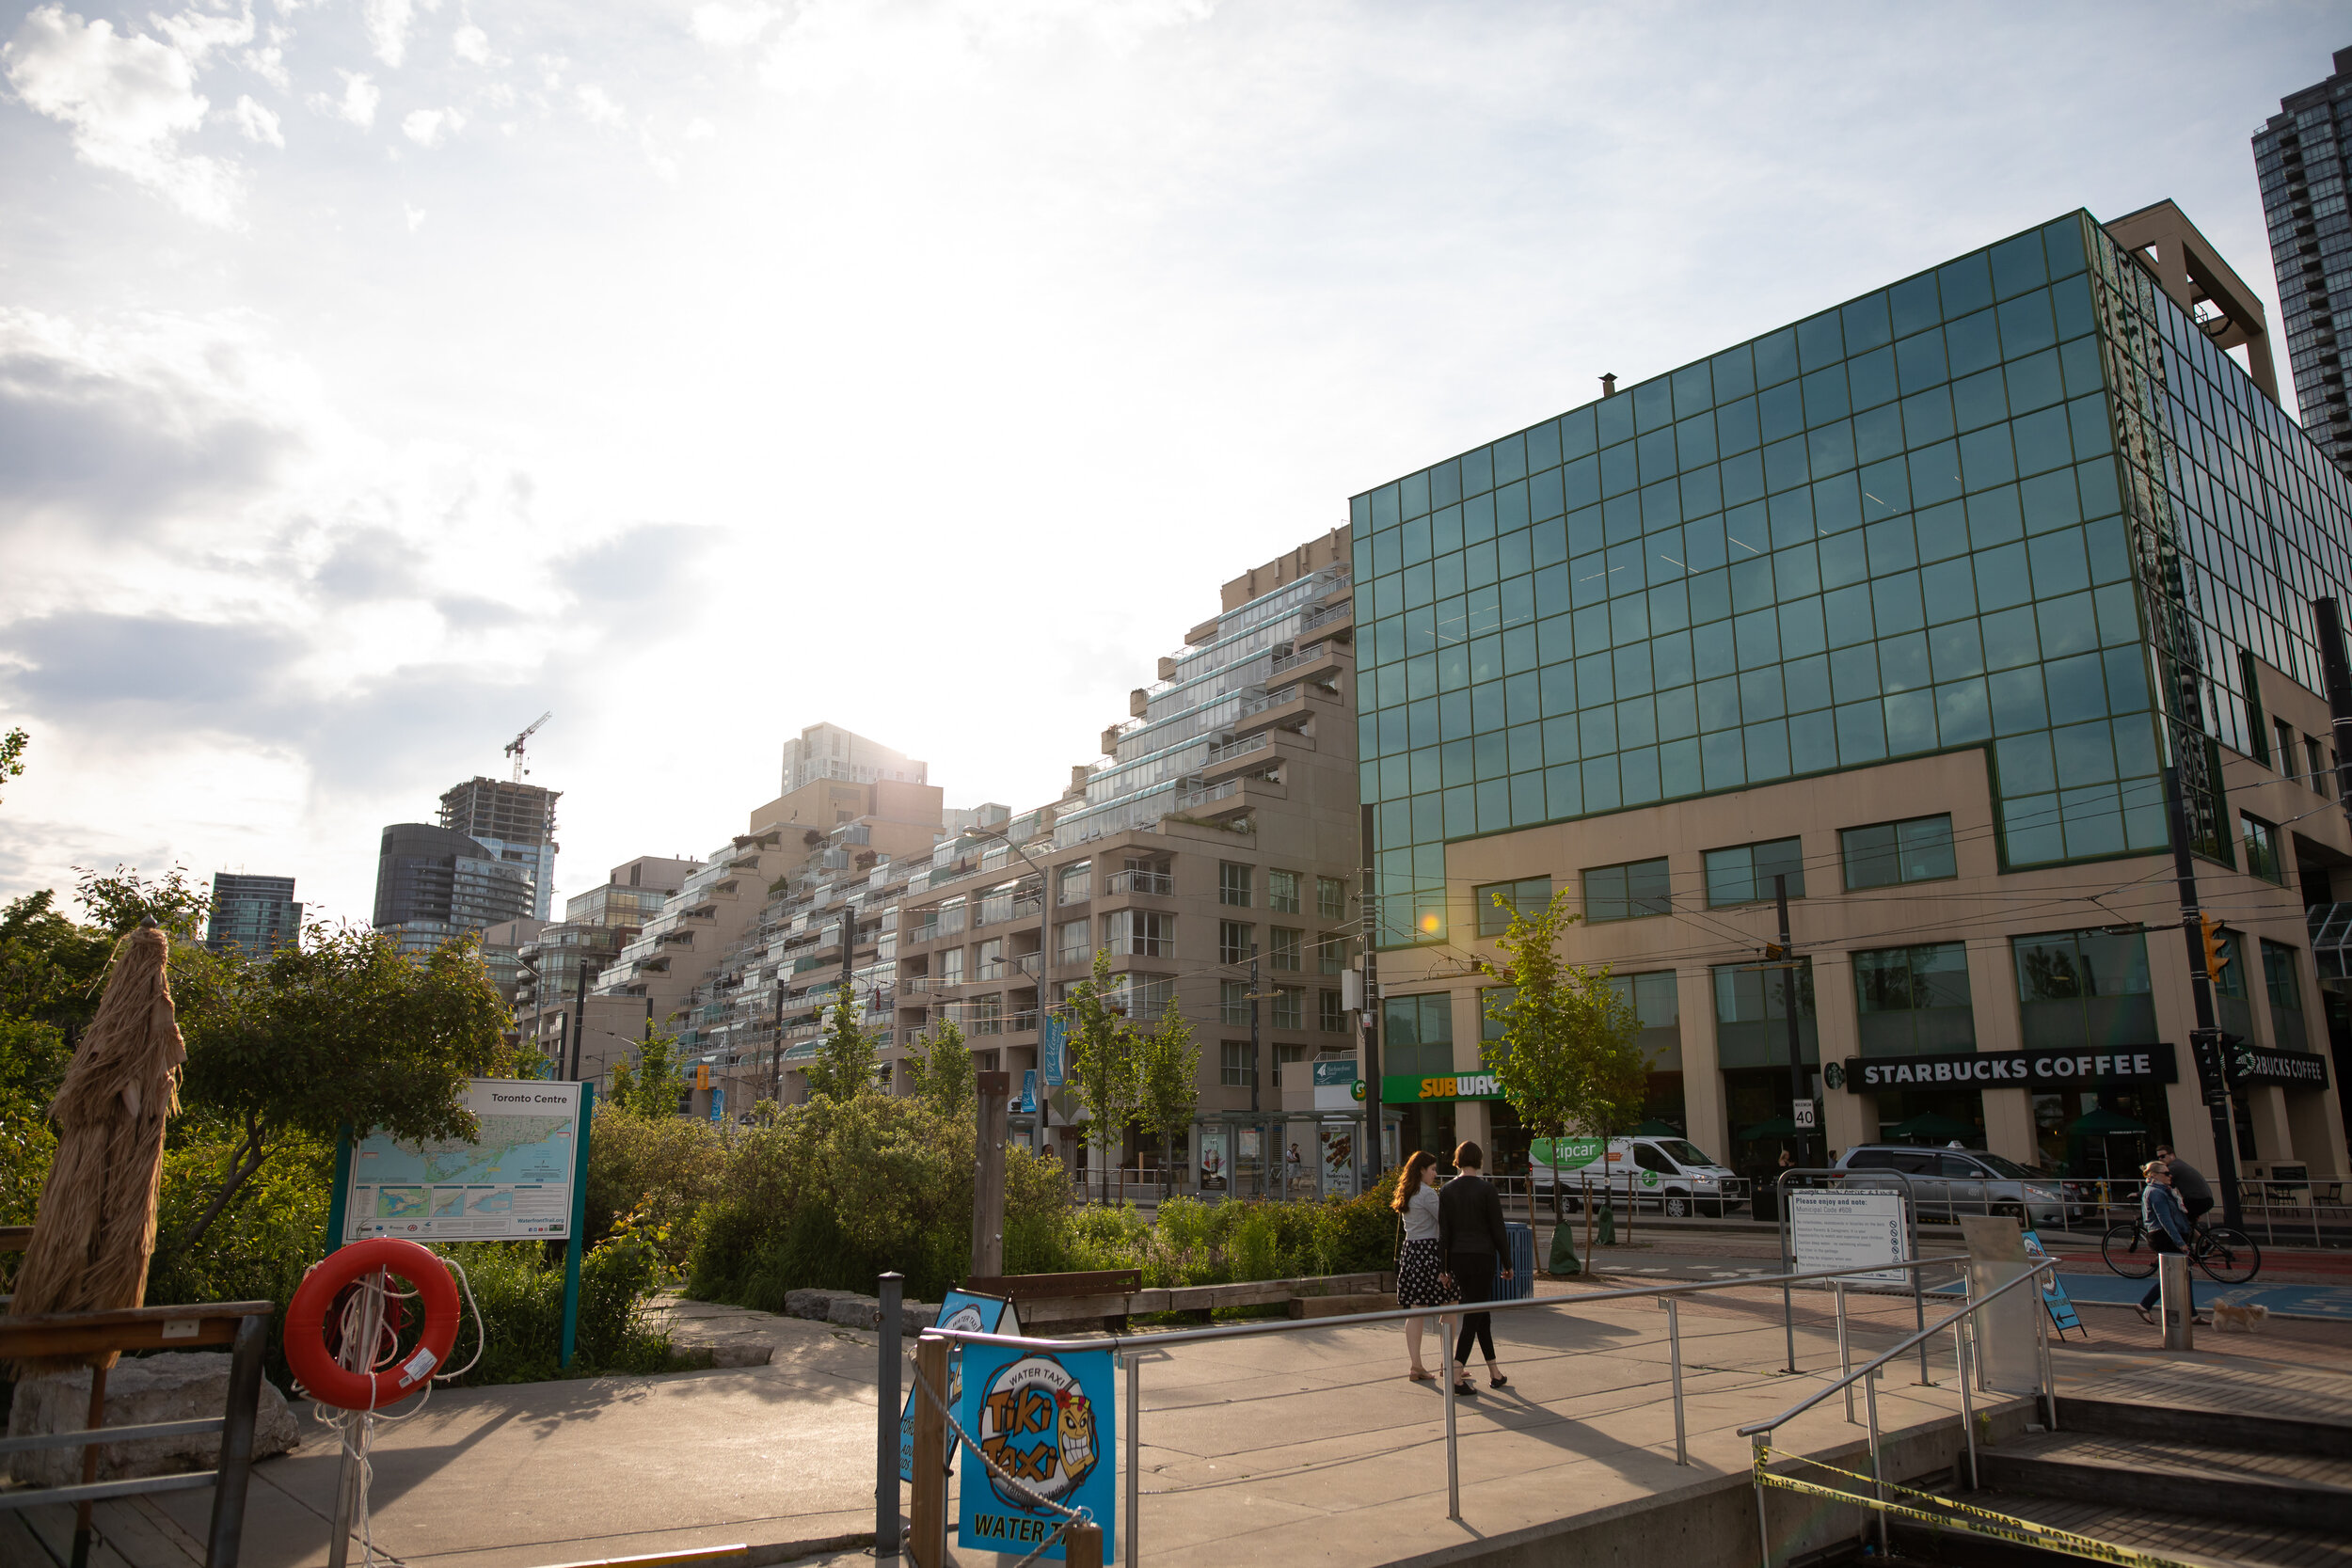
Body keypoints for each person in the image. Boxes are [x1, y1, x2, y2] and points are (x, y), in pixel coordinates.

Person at [1438, 1139, 1514, 1396]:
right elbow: (1498, 1229)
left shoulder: (1446, 1191)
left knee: (1481, 1313)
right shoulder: (1487, 1190)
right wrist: (1507, 1262)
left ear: (1457, 1160)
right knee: (1474, 1313)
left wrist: (1444, 1269)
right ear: (1479, 1161)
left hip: (1458, 1258)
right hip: (1483, 1256)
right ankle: (1456, 1372)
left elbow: (1444, 1234)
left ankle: (1495, 1372)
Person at [1391, 1150, 1455, 1382]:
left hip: (1411, 1251)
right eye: (1432, 1169)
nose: (1435, 1174)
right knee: (1449, 1303)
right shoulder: (1427, 1194)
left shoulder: (1407, 1192)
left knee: (1416, 1309)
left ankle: (1416, 1364)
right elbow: (1445, 1221)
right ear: (1421, 1170)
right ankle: (1447, 1362)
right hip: (1430, 1252)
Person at [2136, 1161, 2211, 1327]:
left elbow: (2175, 1215)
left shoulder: (2166, 1191)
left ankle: (2191, 1314)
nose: (2170, 1176)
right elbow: (2165, 1220)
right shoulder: (2155, 1193)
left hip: (2170, 1235)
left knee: (2183, 1274)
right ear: (2154, 1175)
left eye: (2169, 1173)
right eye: (2166, 1173)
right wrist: (2180, 1243)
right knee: (2174, 1275)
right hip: (2164, 1237)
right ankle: (2144, 1305)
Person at [2155, 1144, 2215, 1225]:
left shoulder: (2173, 1167)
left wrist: (2138, 1194)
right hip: (2203, 1200)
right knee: (2187, 1225)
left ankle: (2182, 1236)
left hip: (2197, 1200)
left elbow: (2157, 1183)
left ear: (2172, 1155)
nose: (2160, 1159)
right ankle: (2197, 1237)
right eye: (2158, 1157)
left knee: (2175, 1219)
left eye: (2162, 1156)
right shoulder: (2179, 1164)